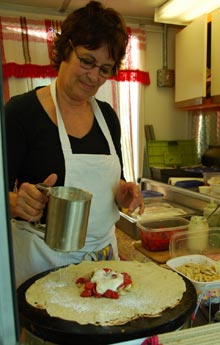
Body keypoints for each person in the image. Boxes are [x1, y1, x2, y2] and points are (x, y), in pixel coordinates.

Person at [5, 0, 144, 288]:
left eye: (105, 69)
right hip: (42, 263)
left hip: (102, 263)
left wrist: (123, 192)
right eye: (87, 61)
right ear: (65, 50)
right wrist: (17, 202)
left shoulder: (108, 117)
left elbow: (112, 182)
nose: (94, 77)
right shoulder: (20, 113)